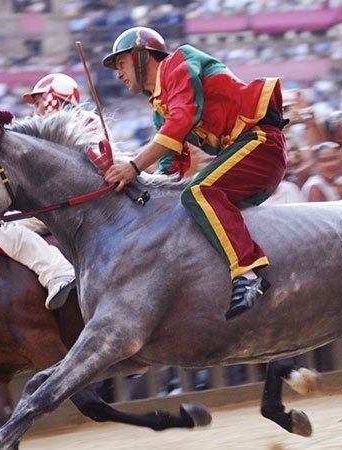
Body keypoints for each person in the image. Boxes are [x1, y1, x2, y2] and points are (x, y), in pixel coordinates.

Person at [101, 27, 288, 320]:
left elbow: (180, 122)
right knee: (185, 203)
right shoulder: (159, 107)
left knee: (200, 192)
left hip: (260, 143)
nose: (118, 74)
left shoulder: (180, 62)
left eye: (121, 64)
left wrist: (134, 167)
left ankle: (249, 275)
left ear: (141, 56)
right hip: (243, 152)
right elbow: (171, 168)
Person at [0, 73, 82, 310]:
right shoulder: (42, 133)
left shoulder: (80, 122)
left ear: (57, 98)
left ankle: (58, 271)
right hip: (53, 205)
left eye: (40, 100)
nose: (36, 108)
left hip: (71, 207)